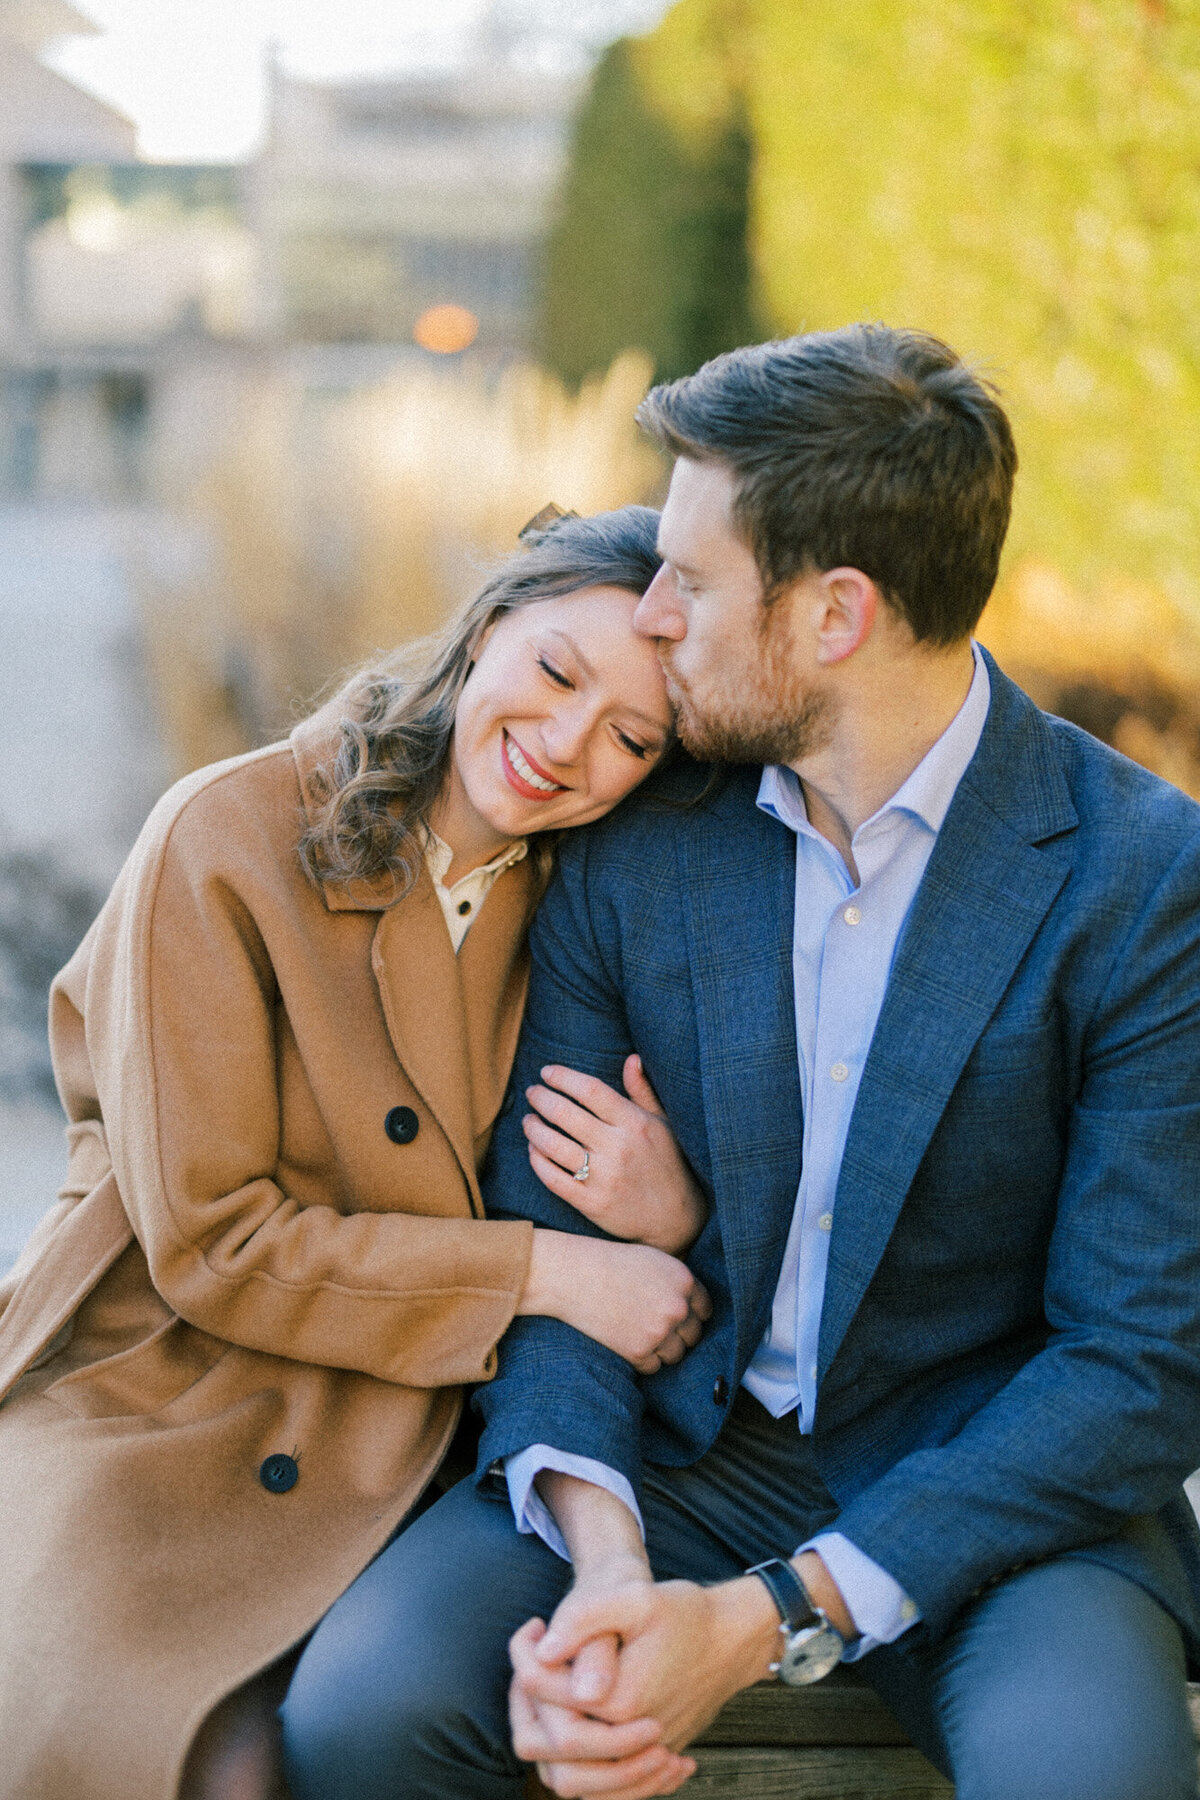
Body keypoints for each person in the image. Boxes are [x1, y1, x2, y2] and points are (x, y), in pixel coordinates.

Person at [280, 326, 1200, 1800]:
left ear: (834, 616)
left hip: (1008, 1487)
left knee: (1094, 1777)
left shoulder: (1142, 878)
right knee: (369, 1711)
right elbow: (563, 1234)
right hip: (678, 1453)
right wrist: (607, 1559)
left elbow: (1135, 1361)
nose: (650, 612)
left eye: (693, 583)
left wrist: (770, 1614)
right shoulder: (641, 834)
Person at [0, 505, 715, 1800]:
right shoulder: (225, 832)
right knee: (204, 1764)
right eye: (556, 672)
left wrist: (662, 1214)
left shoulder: (586, 912)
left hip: (400, 1426)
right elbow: (214, 1244)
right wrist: (543, 1274)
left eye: (632, 738)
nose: (567, 746)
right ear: (491, 620)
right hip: (148, 1400)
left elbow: (649, 1221)